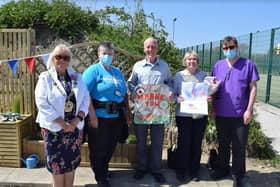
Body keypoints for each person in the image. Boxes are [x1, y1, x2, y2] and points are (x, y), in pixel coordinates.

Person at [35, 44, 90, 187]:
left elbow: (85, 99)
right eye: (58, 57)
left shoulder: (78, 77)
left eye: (66, 57)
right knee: (57, 168)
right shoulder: (45, 77)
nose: (62, 60)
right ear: (53, 59)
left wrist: (76, 120)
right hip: (53, 130)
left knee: (70, 166)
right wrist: (62, 123)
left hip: (74, 130)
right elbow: (42, 102)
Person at [211, 36, 259, 187]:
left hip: (240, 114)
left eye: (231, 47)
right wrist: (213, 108)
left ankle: (239, 175)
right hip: (221, 114)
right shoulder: (218, 66)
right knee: (223, 144)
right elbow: (213, 89)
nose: (228, 50)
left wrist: (249, 110)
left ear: (236, 47)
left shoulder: (248, 64)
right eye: (225, 48)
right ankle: (223, 168)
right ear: (222, 49)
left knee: (239, 146)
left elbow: (253, 88)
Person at [82, 41, 129, 187]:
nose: (107, 56)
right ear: (98, 54)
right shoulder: (93, 70)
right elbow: (84, 94)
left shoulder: (117, 71)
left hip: (116, 116)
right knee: (98, 149)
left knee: (110, 146)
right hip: (99, 117)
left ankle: (104, 170)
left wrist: (127, 112)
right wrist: (92, 116)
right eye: (104, 53)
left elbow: (124, 93)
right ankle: (100, 177)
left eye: (110, 54)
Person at [127, 37, 173, 183]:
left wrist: (170, 91)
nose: (150, 49)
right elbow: (131, 82)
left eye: (153, 47)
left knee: (158, 141)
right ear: (144, 48)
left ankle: (156, 169)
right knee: (141, 141)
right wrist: (133, 91)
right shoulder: (137, 66)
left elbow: (170, 82)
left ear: (157, 49)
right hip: (142, 109)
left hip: (159, 110)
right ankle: (141, 168)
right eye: (148, 47)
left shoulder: (164, 66)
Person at [172, 51, 208, 182]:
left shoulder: (204, 76)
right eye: (189, 59)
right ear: (185, 62)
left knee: (196, 144)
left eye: (194, 59)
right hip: (183, 115)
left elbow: (210, 92)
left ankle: (194, 171)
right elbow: (173, 94)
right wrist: (177, 98)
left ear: (198, 62)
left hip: (199, 115)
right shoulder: (178, 76)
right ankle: (181, 170)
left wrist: (209, 96)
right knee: (184, 143)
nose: (191, 61)